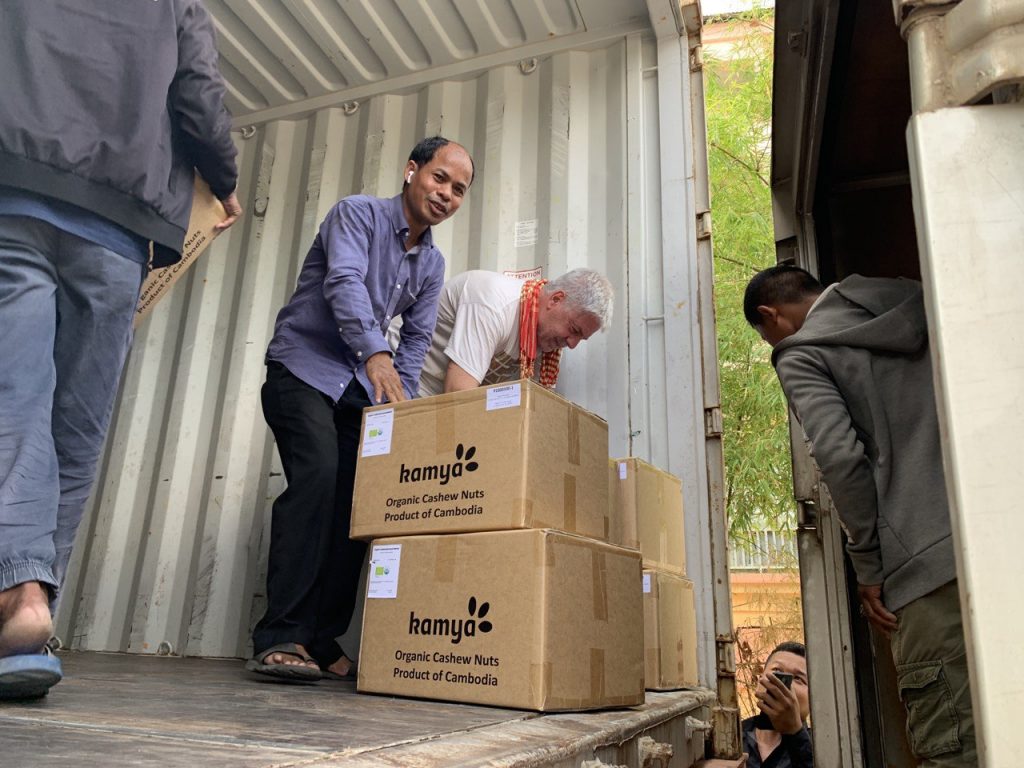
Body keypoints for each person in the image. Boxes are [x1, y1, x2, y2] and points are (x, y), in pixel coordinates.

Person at [0, 1, 241, 700]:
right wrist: (223, 180)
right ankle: (31, 613)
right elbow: (199, 96)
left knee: (14, 398)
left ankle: (16, 597)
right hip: (118, 229)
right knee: (77, 425)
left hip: (16, 192)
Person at [247, 136, 474, 683]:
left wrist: (402, 403)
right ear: (411, 170)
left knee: (360, 504)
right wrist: (376, 354)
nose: (446, 194)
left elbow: (417, 339)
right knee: (319, 477)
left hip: (357, 389)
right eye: (439, 178)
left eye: (459, 189)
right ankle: (281, 635)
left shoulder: (432, 263)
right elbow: (343, 282)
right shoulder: (357, 213)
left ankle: (322, 637)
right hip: (302, 369)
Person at [744, 265, 975, 767]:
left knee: (954, 745)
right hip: (994, 531)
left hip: (928, 567)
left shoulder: (802, 352)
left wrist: (868, 566)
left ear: (771, 315)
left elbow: (839, 457)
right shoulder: (916, 297)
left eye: (767, 336)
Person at [415, 268, 613, 397]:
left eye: (581, 338)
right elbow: (458, 392)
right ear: (555, 299)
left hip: (444, 404)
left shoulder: (547, 340)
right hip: (411, 389)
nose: (572, 344)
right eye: (574, 330)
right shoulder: (494, 304)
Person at [742, 641, 813, 768]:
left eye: (798, 678)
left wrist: (795, 733)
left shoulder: (822, 747)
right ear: (759, 681)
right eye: (776, 670)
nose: (783, 684)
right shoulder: (731, 736)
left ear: (813, 698)